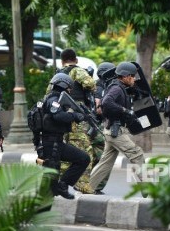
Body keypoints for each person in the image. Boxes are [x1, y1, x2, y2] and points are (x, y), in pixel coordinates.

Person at [89, 62, 145, 194]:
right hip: (116, 132)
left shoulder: (119, 87)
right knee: (136, 154)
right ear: (125, 76)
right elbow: (106, 102)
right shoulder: (117, 88)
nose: (134, 78)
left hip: (111, 130)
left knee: (105, 162)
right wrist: (124, 110)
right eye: (132, 76)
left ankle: (88, 187)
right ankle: (148, 188)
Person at [38, 73, 90, 199]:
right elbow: (58, 116)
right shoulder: (53, 100)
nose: (70, 90)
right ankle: (38, 214)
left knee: (83, 158)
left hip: (58, 143)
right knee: (49, 184)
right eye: (69, 88)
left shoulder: (56, 99)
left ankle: (63, 184)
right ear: (63, 86)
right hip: (50, 145)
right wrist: (75, 116)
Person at [56, 49, 97, 194]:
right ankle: (82, 183)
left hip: (60, 117)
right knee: (86, 150)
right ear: (76, 60)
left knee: (67, 150)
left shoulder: (57, 74)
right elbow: (90, 84)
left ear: (62, 61)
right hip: (76, 116)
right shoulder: (77, 71)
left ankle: (61, 179)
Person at [89, 62, 115, 194]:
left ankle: (93, 185)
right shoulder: (99, 87)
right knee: (102, 156)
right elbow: (98, 109)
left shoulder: (103, 85)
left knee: (99, 156)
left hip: (96, 124)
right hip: (95, 125)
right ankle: (94, 186)